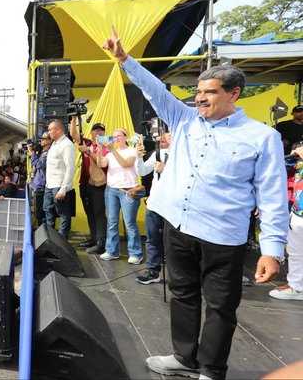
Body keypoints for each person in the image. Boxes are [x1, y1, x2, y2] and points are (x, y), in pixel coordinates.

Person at [104, 26, 288, 380]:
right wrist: (125, 60)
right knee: (183, 294)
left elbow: (272, 194)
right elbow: (154, 90)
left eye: (210, 92)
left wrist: (272, 248)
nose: (201, 98)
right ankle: (184, 358)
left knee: (220, 307)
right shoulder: (184, 119)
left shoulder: (262, 137)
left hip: (223, 236)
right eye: (199, 92)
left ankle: (211, 371)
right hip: (179, 226)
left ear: (234, 93)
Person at [96, 128, 143, 264]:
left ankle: (135, 253)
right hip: (111, 190)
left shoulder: (133, 151)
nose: (116, 139)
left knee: (129, 223)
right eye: (114, 136)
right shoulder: (110, 154)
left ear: (125, 137)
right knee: (112, 222)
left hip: (128, 190)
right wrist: (99, 150)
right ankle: (112, 251)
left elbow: (125, 164)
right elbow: (101, 164)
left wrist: (112, 149)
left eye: (119, 136)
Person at [134, 131, 171, 284]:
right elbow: (142, 171)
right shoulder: (158, 153)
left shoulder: (185, 155)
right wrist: (138, 157)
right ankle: (153, 271)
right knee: (152, 239)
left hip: (173, 206)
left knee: (174, 242)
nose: (163, 139)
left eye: (168, 136)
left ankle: (179, 275)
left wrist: (166, 170)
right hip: (155, 203)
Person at [269, 144, 303, 301]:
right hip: (298, 210)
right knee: (296, 252)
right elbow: (282, 166)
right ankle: (297, 287)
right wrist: (294, 155)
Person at [71, 119, 108, 253]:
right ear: (91, 132)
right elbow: (74, 134)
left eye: (101, 130)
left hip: (99, 186)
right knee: (90, 212)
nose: (98, 132)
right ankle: (93, 238)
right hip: (85, 183)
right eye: (95, 130)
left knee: (99, 214)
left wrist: (87, 151)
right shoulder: (86, 142)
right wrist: (75, 116)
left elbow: (101, 163)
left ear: (104, 133)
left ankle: (101, 242)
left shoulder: (107, 146)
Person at [43, 120, 77, 238]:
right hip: (49, 184)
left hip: (59, 185)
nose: (48, 133)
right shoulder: (55, 143)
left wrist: (63, 189)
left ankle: (62, 239)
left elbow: (70, 168)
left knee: (63, 213)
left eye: (50, 130)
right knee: (48, 210)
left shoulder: (66, 145)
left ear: (58, 130)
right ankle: (49, 238)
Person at [28, 132, 52, 227]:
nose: (41, 140)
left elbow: (40, 165)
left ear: (50, 141)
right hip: (38, 184)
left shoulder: (49, 152)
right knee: (38, 211)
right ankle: (40, 230)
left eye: (43, 139)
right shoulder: (42, 151)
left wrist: (32, 154)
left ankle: (43, 230)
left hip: (42, 185)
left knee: (42, 212)